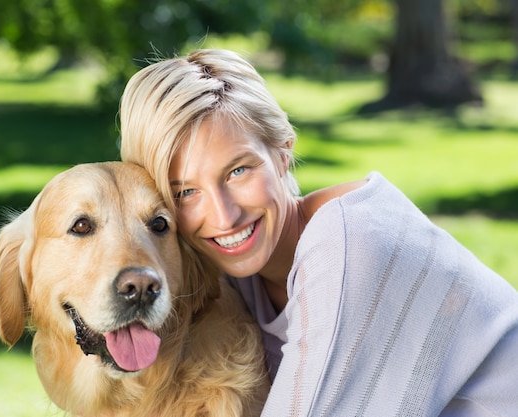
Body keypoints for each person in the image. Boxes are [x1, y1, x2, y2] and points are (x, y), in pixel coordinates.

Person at [119, 49, 518, 416]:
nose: (224, 217)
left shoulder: (350, 243)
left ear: (283, 153)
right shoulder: (231, 279)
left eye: (238, 170)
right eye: (186, 192)